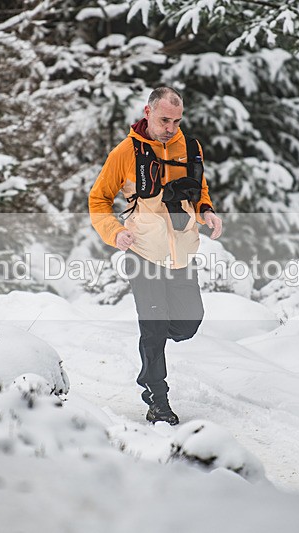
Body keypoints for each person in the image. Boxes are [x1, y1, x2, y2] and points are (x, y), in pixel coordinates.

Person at [88, 86, 223, 425]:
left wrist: (206, 211)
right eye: (165, 120)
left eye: (177, 121)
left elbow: (199, 186)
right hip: (144, 253)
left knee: (188, 323)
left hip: (180, 254)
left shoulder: (189, 147)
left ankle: (156, 348)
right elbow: (98, 201)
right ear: (148, 113)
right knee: (153, 327)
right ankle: (156, 397)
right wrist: (115, 232)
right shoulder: (125, 152)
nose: (171, 128)